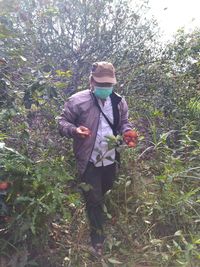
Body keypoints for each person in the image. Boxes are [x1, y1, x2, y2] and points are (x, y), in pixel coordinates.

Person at [58, 61, 137, 256]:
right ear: (92, 81)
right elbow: (61, 121)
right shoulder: (77, 101)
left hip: (111, 159)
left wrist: (127, 132)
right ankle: (97, 241)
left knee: (106, 193)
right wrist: (74, 130)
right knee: (93, 199)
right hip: (89, 160)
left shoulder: (119, 102)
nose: (105, 88)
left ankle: (104, 223)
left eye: (108, 85)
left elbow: (124, 123)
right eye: (101, 84)